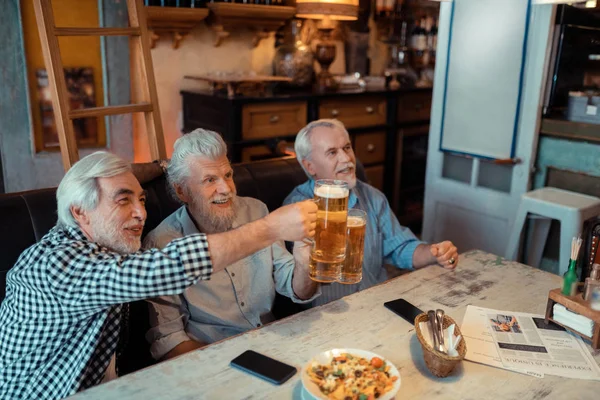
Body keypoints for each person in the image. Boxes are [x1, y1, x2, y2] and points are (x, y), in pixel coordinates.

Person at [0, 151, 317, 400]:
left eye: (141, 199)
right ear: (79, 212)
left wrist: (160, 165)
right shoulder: (56, 264)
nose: (141, 213)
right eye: (124, 200)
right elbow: (164, 268)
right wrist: (272, 227)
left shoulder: (108, 245)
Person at [144, 129, 320, 361]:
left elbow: (297, 288)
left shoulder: (257, 210)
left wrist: (305, 262)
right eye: (210, 180)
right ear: (181, 191)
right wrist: (242, 362)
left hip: (273, 346)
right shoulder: (161, 243)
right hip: (211, 359)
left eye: (227, 175)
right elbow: (170, 342)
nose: (226, 189)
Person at [283, 119, 459, 306]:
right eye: (332, 152)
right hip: (328, 316)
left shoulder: (373, 196)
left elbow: (400, 248)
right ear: (310, 166)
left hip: (378, 303)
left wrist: (434, 252)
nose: (347, 159)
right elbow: (296, 285)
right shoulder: (297, 208)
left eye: (347, 148)